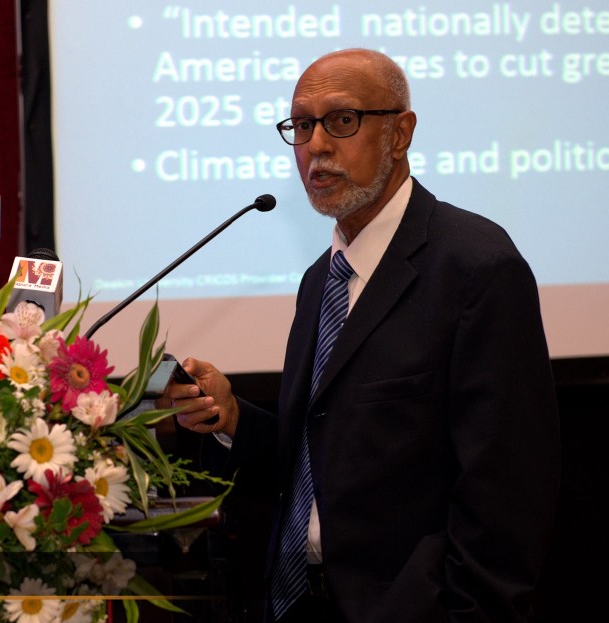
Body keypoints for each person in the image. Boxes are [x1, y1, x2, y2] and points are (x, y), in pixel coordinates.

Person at [163, 49, 560, 622]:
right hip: (299, 603)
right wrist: (232, 418)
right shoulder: (320, 280)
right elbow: (322, 457)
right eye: (302, 125)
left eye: (342, 120)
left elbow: (508, 488)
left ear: (401, 133)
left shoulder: (475, 266)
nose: (317, 145)